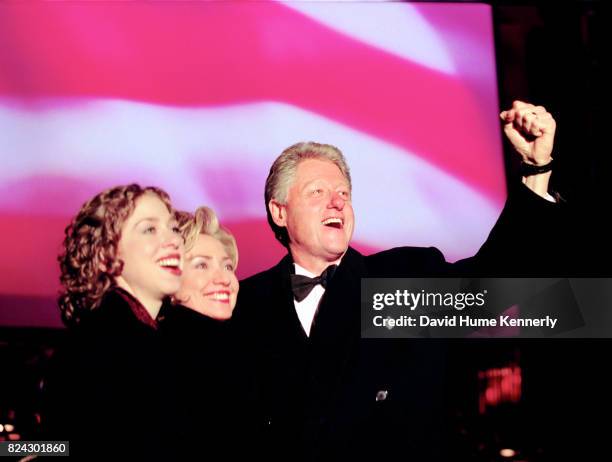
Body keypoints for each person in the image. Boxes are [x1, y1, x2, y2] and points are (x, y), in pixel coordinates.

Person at [232, 101, 567, 461]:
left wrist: (535, 170)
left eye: (343, 193)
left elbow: (490, 282)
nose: (336, 203)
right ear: (279, 211)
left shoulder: (401, 278)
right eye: (317, 192)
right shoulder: (243, 305)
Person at [43, 184, 184, 460]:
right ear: (106, 255)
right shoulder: (105, 349)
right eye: (149, 229)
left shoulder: (132, 339)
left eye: (173, 228)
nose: (174, 240)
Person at [162, 206, 257, 458]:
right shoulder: (156, 358)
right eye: (202, 265)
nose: (224, 279)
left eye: (227, 267)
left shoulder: (235, 349)